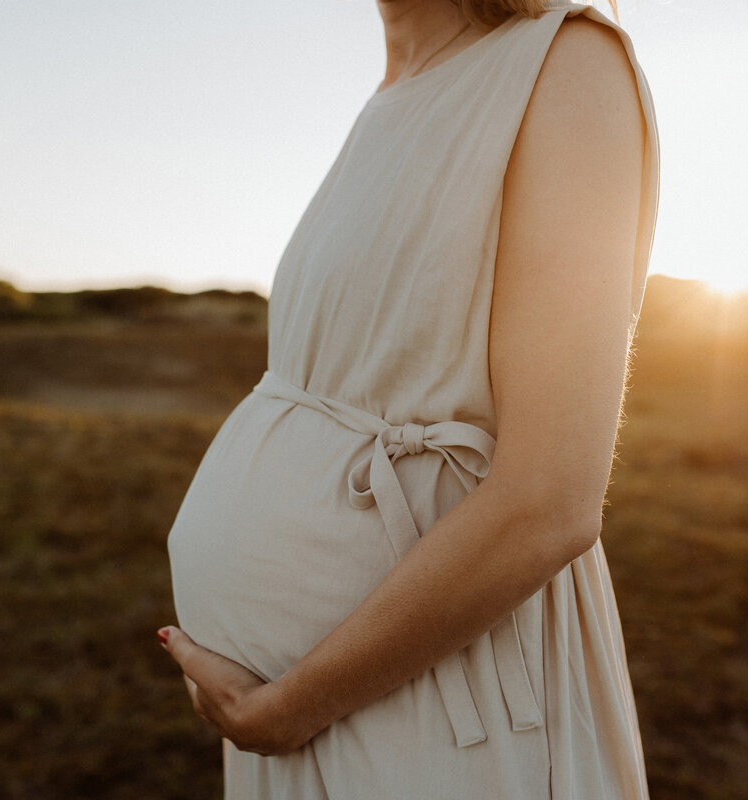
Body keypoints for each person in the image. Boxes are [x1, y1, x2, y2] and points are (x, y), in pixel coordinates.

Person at [159, 0, 660, 796]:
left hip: (445, 703)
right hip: (308, 712)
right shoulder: (386, 97)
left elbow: (549, 499)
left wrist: (294, 702)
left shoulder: (563, 63)